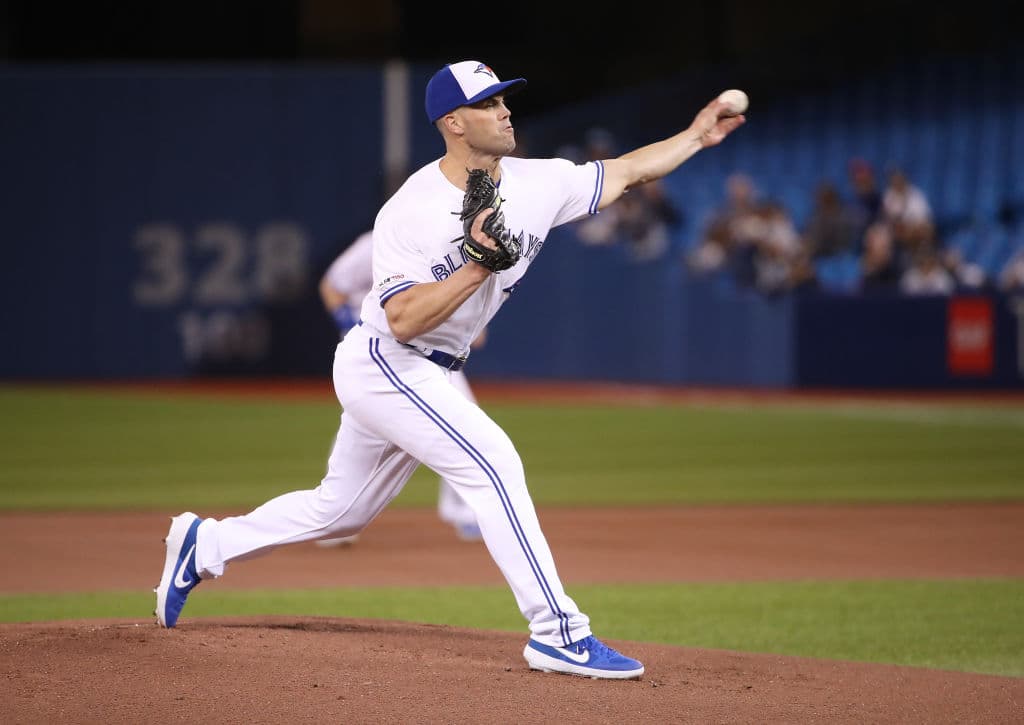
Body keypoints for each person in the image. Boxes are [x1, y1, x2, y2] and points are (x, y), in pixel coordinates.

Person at [154, 59, 745, 680]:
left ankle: (205, 545)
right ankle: (559, 633)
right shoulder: (411, 209)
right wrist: (477, 267)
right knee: (494, 462)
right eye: (488, 104)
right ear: (453, 122)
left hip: (427, 369)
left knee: (341, 511)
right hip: (386, 362)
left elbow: (627, 170)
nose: (505, 112)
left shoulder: (539, 181)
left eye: (504, 100)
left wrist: (695, 136)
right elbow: (403, 319)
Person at [317, 229, 484, 544]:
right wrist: (350, 327)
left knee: (465, 421)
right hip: (377, 351)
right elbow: (331, 287)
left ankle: (465, 512)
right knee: (363, 430)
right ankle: (332, 517)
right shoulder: (376, 241)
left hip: (429, 353)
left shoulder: (446, 244)